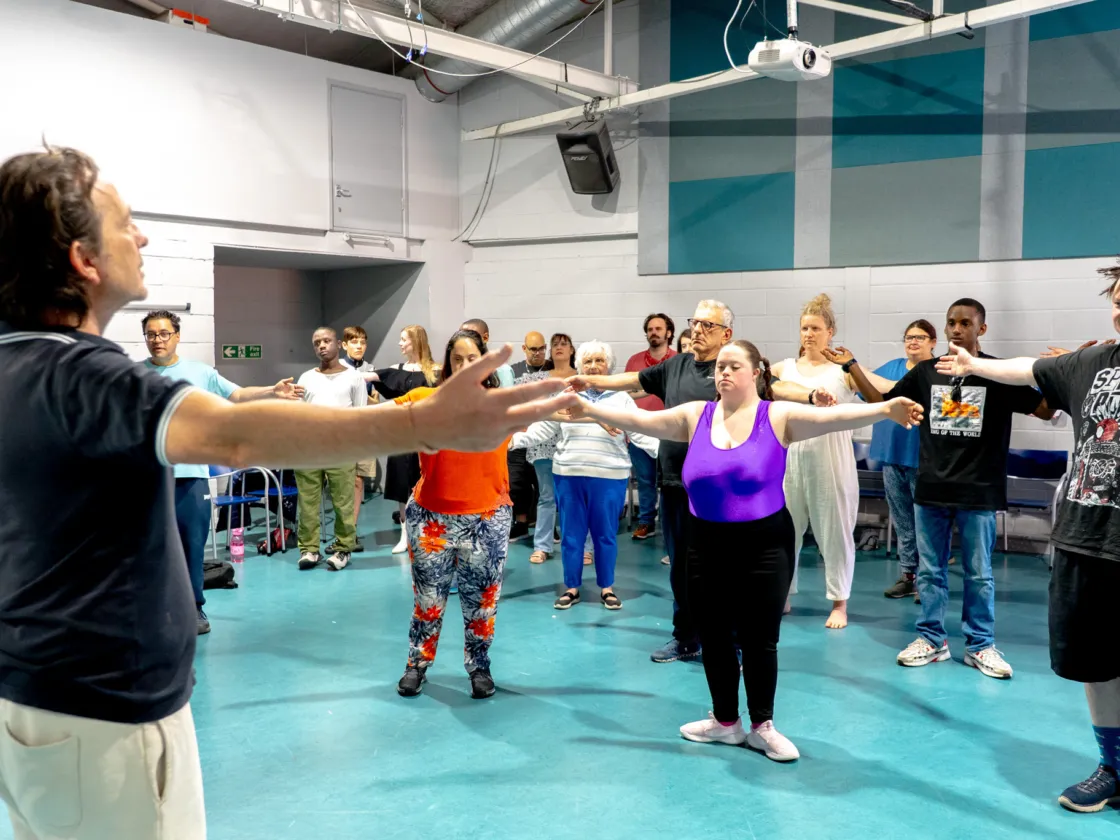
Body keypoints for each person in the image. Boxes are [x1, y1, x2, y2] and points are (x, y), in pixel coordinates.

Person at [0, 146, 573, 840]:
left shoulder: (17, 362)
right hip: (102, 714)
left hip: (39, 696)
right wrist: (424, 422)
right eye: (125, 223)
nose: (143, 237)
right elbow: (236, 435)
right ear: (83, 260)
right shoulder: (85, 378)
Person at [567, 339, 922, 761]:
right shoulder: (696, 415)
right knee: (714, 637)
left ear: (756, 372)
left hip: (764, 546)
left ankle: (761, 726)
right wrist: (588, 408)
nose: (723, 372)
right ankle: (725, 722)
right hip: (704, 545)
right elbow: (641, 420)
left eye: (733, 365)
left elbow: (833, 417)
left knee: (759, 640)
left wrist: (885, 409)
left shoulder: (777, 416)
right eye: (720, 366)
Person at [935, 262, 1120, 814]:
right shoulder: (1093, 362)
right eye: (1117, 300)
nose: (1119, 311)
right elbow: (1027, 369)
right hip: (1085, 536)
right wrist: (973, 364)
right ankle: (1113, 766)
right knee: (1094, 663)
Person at [567, 300, 827, 663]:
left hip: (724, 494)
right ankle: (686, 637)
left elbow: (780, 388)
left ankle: (734, 641)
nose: (699, 330)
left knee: (729, 573)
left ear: (726, 333)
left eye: (708, 324)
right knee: (682, 569)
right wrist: (589, 381)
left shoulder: (735, 370)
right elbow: (632, 381)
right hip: (677, 484)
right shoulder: (675, 366)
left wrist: (812, 396)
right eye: (695, 322)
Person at [848, 298, 1054, 679]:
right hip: (931, 490)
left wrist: (1059, 370)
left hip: (979, 492)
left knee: (979, 574)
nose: (956, 329)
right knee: (930, 572)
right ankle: (931, 640)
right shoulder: (927, 372)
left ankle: (980, 645)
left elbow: (1045, 409)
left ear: (981, 329)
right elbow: (884, 401)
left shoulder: (997, 373)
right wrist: (851, 366)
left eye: (965, 323)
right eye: (951, 323)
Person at [142, 309, 304, 634]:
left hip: (192, 477)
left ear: (177, 336)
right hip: (150, 478)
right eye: (151, 334)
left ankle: (194, 608)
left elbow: (237, 394)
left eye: (164, 333)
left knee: (192, 545)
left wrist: (272, 391)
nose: (157, 340)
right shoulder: (134, 375)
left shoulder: (200, 372)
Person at [393, 330, 516, 701]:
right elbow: (371, 416)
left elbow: (558, 410)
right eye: (457, 359)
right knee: (428, 600)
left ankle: (479, 666)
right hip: (432, 519)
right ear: (447, 364)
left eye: (472, 358)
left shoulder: (502, 404)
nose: (464, 366)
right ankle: (417, 664)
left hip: (487, 519)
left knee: (482, 603)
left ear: (485, 362)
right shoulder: (424, 400)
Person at [511, 341, 659, 610]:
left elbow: (639, 432)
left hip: (610, 477)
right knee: (571, 535)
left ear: (608, 366)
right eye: (587, 361)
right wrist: (510, 441)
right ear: (579, 366)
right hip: (568, 475)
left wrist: (669, 452)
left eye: (599, 361)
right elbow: (542, 429)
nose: (593, 366)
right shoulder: (567, 395)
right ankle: (571, 588)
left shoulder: (622, 398)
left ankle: (607, 588)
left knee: (605, 536)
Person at [771, 293, 875, 629]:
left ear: (830, 332)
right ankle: (782, 593)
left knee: (835, 532)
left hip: (832, 459)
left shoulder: (843, 371)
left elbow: (875, 394)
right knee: (784, 532)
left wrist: (853, 364)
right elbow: (758, 383)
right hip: (789, 460)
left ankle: (839, 602)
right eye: (804, 328)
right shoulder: (784, 368)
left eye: (816, 328)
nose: (809, 334)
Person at [825, 319, 937, 599]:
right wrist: (849, 364)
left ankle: (929, 580)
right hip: (892, 457)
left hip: (925, 461)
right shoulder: (891, 368)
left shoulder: (938, 371)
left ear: (933, 342)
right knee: (903, 522)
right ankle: (908, 576)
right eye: (909, 337)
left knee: (926, 523)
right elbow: (867, 390)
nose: (913, 342)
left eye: (920, 337)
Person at [292, 327, 367, 571]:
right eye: (317, 343)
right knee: (308, 502)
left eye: (326, 341)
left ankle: (343, 548)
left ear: (338, 344)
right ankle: (309, 549)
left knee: (343, 502)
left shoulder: (354, 377)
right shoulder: (306, 378)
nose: (322, 346)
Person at [365, 325, 440, 554]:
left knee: (429, 485)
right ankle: (405, 535)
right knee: (402, 486)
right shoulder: (396, 370)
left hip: (427, 438)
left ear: (416, 342)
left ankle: (430, 534)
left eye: (404, 339)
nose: (400, 344)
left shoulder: (436, 371)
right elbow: (366, 376)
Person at [624, 313, 676, 541]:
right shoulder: (634, 362)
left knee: (669, 482)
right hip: (639, 432)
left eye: (658, 328)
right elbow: (625, 393)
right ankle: (646, 521)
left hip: (670, 433)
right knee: (645, 480)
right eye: (650, 329)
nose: (653, 332)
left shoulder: (678, 361)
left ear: (669, 333)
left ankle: (668, 524)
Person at [506, 331, 552, 543]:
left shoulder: (553, 370)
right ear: (524, 349)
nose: (538, 353)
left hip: (544, 437)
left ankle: (547, 526)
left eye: (542, 348)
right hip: (518, 434)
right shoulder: (513, 371)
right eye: (533, 349)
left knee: (544, 485)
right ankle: (521, 524)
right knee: (517, 483)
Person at [339, 325, 379, 550]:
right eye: (354, 342)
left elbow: (375, 401)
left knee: (357, 481)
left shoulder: (370, 370)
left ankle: (350, 532)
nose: (359, 346)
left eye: (362, 342)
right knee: (339, 483)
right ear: (344, 345)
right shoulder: (337, 368)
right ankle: (341, 531)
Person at [462, 318, 515, 387]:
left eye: (470, 336)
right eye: (460, 336)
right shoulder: (459, 368)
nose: (463, 341)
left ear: (485, 338)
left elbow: (506, 393)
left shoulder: (502, 370)